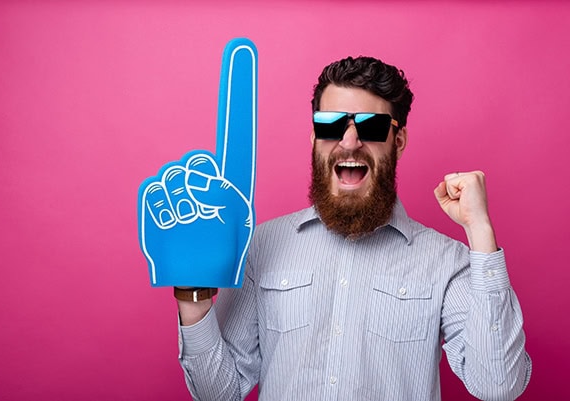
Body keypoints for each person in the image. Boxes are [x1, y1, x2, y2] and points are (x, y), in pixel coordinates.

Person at [174, 56, 532, 401]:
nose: (349, 141)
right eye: (330, 124)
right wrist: (192, 294)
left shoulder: (446, 261)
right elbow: (220, 392)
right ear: (314, 138)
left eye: (371, 126)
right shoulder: (262, 245)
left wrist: (481, 232)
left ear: (399, 141)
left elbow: (497, 385)